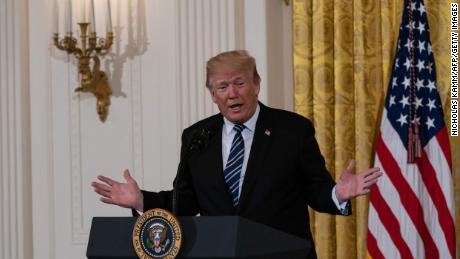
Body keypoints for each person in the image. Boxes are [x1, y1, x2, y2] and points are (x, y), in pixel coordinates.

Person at [92, 50, 382, 258]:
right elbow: (185, 200)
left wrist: (338, 193)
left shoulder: (292, 130)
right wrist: (141, 200)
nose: (232, 93)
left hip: (284, 254)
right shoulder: (197, 137)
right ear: (213, 94)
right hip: (218, 254)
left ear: (256, 85)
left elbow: (314, 189)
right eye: (222, 86)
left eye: (239, 83)